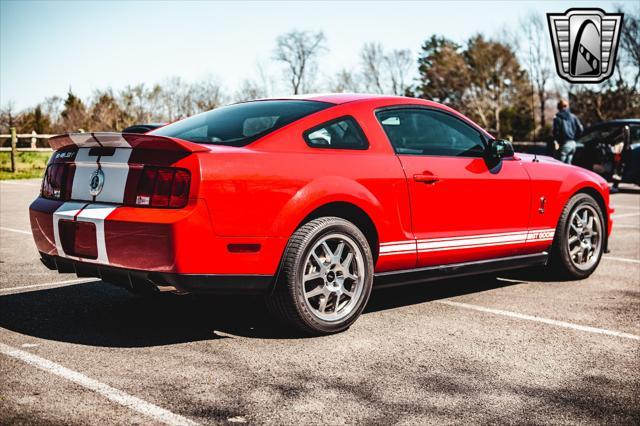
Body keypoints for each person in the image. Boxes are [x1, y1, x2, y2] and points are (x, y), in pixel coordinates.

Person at [552, 99, 583, 164]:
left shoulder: (557, 118)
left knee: (559, 166)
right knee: (568, 166)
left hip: (564, 144)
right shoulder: (573, 117)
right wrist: (575, 139)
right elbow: (580, 129)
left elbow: (556, 133)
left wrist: (558, 142)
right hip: (573, 144)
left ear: (558, 107)